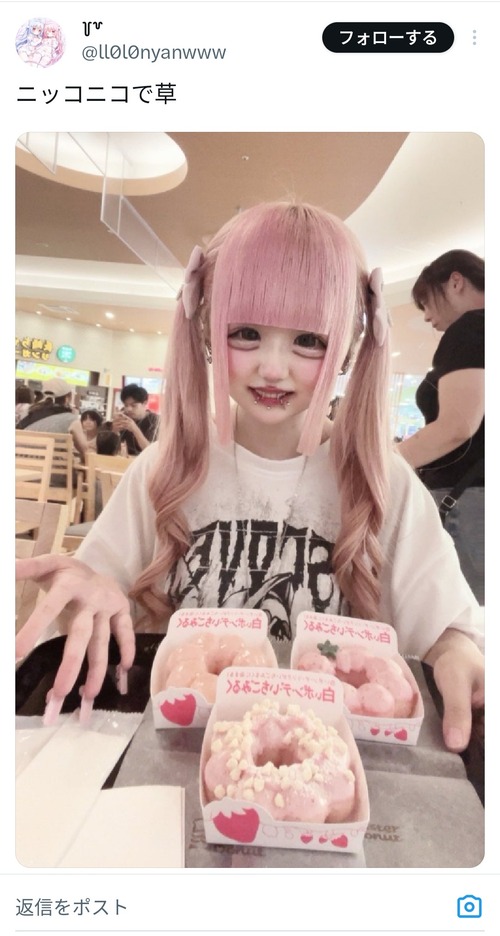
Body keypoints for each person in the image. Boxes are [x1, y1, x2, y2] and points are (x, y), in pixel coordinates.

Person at [16, 202, 483, 753]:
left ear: (348, 349)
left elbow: (449, 628)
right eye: (246, 333)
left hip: (330, 767)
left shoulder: (384, 482)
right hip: (173, 757)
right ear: (209, 332)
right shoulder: (166, 469)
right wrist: (88, 595)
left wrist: (457, 652)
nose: (272, 367)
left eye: (308, 340)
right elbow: (99, 596)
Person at [397, 250, 484, 604]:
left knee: (459, 614)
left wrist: (384, 462)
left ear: (456, 281)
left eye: (426, 302)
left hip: (470, 499)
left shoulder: (472, 327)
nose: (427, 316)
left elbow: (457, 425)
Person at [17, 377, 88, 462]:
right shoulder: (71, 419)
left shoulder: (27, 412)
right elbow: (85, 451)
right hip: (52, 468)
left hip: (20, 465)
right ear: (67, 398)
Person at [113, 384, 159, 456]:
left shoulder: (155, 421)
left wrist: (135, 429)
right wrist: (114, 431)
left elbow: (151, 452)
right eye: (126, 405)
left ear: (144, 403)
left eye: (133, 405)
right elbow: (113, 449)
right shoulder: (124, 418)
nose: (128, 409)